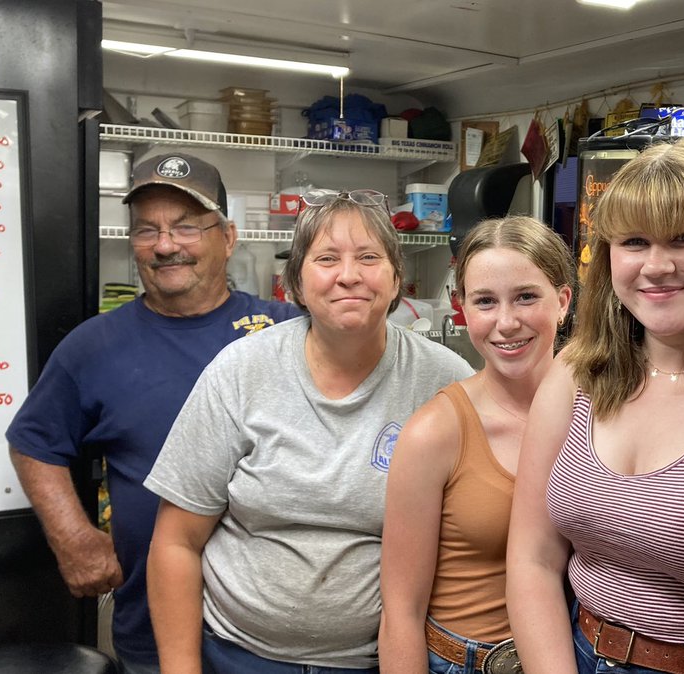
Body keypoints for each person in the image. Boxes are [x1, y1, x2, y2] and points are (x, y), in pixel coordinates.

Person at [144, 187, 474, 673]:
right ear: (294, 283)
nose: (349, 276)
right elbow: (176, 543)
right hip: (239, 657)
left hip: (381, 660)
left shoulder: (444, 379)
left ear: (397, 278)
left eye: (368, 257)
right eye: (326, 258)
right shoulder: (241, 371)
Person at [5, 152, 300, 674]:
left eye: (186, 227)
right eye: (147, 231)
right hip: (155, 634)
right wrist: (73, 537)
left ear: (228, 238)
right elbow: (35, 441)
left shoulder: (286, 332)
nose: (165, 246)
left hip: (279, 639)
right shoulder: (94, 347)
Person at [506, 137, 684, 674]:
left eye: (683, 238)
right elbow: (533, 558)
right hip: (581, 652)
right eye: (633, 241)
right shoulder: (576, 374)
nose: (656, 265)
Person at [380, 216, 574, 674]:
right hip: (466, 661)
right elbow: (400, 614)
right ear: (461, 308)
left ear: (563, 301)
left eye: (526, 296)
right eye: (485, 301)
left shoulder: (599, 409)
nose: (507, 323)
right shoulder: (434, 433)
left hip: (579, 655)